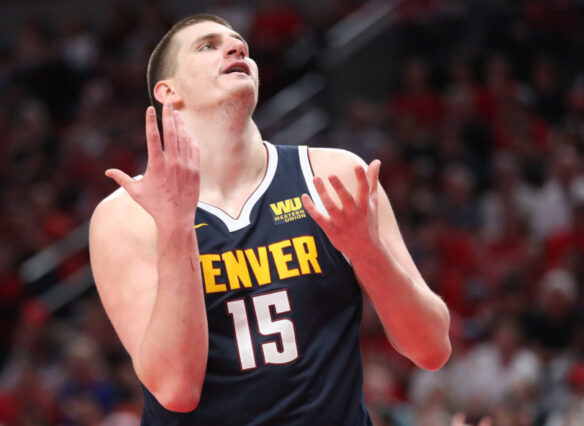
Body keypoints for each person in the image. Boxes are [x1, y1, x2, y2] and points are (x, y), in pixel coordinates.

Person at [89, 13, 451, 425]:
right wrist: (175, 230)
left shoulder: (333, 176)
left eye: (239, 42)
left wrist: (367, 252)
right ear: (168, 91)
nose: (236, 48)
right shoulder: (127, 215)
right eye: (207, 46)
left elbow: (432, 349)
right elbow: (176, 389)